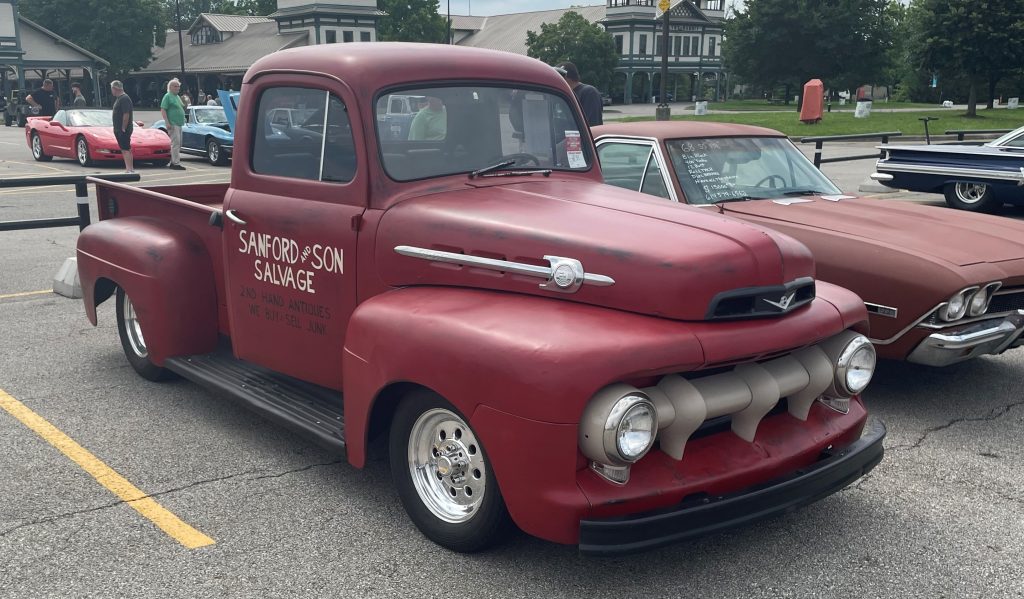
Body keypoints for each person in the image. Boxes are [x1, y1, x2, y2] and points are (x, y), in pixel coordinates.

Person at [556, 62, 603, 127]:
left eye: (557, 76)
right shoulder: (566, 94)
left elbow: (592, 124)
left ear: (565, 76)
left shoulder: (589, 92)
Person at [160, 78, 186, 170]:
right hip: (173, 123)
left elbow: (182, 107)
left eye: (178, 86)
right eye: (175, 86)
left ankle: (174, 161)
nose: (178, 88)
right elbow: (163, 109)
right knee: (175, 143)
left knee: (179, 143)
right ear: (170, 87)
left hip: (179, 123)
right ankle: (175, 163)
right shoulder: (167, 96)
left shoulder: (177, 96)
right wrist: (167, 122)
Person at [110, 80, 135, 173]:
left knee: (125, 149)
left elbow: (126, 114)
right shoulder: (119, 98)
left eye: (112, 89)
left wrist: (123, 127)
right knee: (125, 148)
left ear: (115, 88)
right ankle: (130, 168)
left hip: (123, 129)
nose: (111, 91)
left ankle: (129, 169)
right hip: (119, 129)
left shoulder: (124, 98)